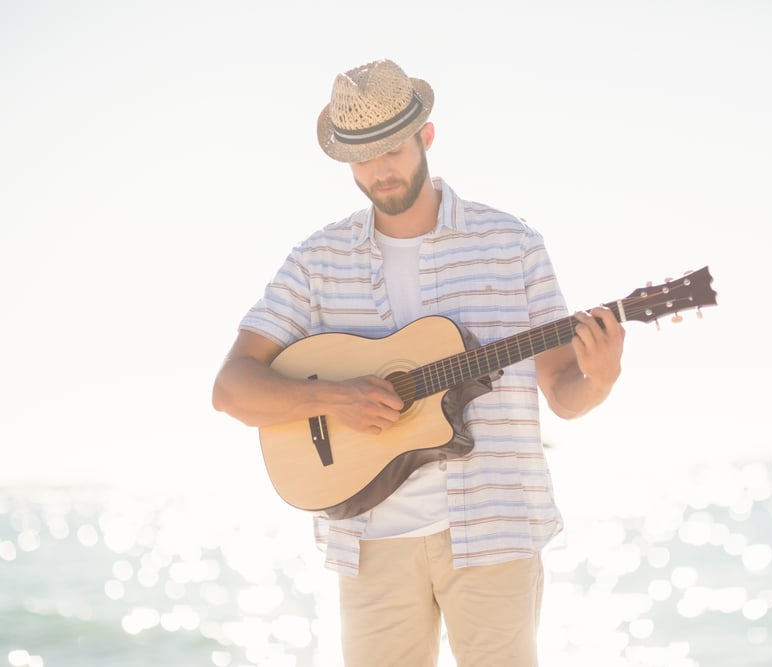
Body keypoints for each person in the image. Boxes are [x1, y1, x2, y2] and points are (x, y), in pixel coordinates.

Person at [211, 59, 626, 667]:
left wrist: (603, 377)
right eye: (362, 156)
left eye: (393, 150)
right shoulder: (315, 262)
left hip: (496, 531)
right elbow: (232, 390)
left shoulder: (513, 246)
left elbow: (564, 392)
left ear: (426, 136)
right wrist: (337, 397)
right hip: (370, 544)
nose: (380, 171)